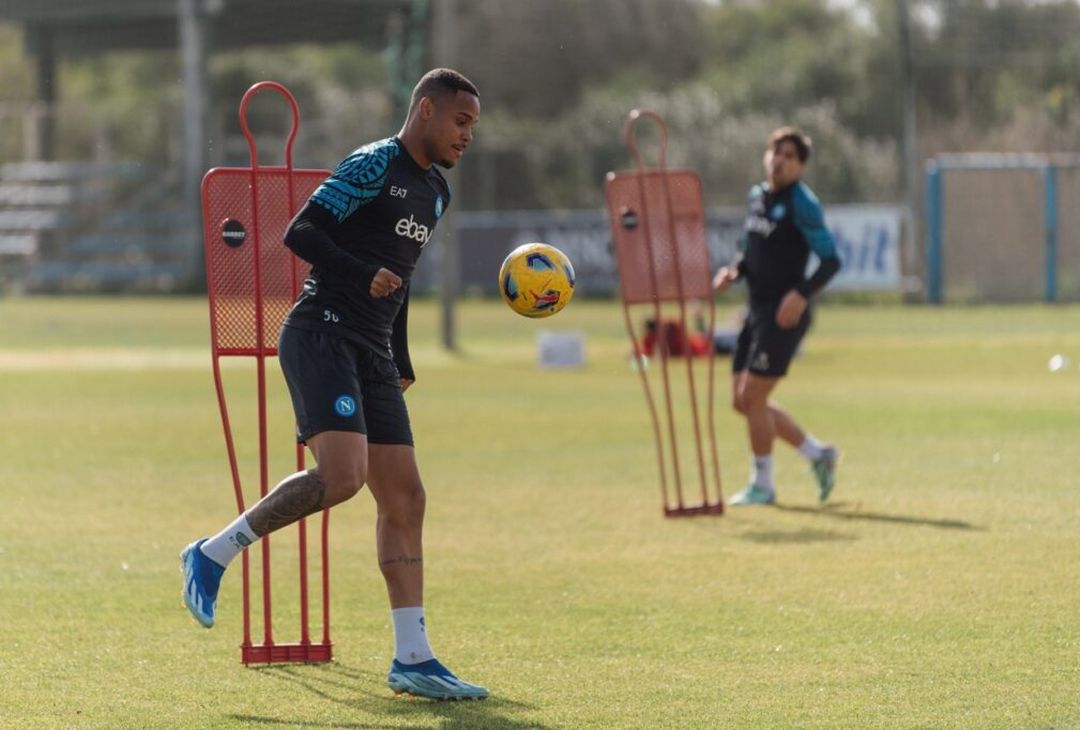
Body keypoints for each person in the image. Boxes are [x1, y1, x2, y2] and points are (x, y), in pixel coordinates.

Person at [181, 68, 488, 700]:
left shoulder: (435, 192)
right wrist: (359, 270)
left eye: (473, 128)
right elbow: (300, 232)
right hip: (320, 332)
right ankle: (212, 553)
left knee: (406, 499)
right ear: (425, 111)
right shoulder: (374, 164)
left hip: (371, 349)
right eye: (461, 123)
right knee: (343, 478)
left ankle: (413, 659)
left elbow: (397, 279)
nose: (467, 137)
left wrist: (399, 357)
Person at [712, 127, 842, 506]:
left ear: (801, 166)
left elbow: (831, 260)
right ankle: (818, 455)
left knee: (753, 397)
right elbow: (749, 249)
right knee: (743, 401)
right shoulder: (757, 197)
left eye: (790, 156)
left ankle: (763, 485)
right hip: (755, 312)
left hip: (783, 315)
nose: (780, 160)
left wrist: (801, 295)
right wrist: (734, 270)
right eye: (776, 152)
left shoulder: (804, 204)